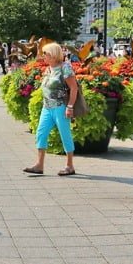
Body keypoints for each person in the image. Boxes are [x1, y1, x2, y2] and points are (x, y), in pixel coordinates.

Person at [23, 43, 77, 176]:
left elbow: (74, 88)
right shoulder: (49, 69)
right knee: (41, 134)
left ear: (53, 55)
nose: (43, 56)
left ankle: (70, 166)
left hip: (60, 107)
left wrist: (70, 107)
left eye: (45, 54)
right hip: (47, 107)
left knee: (65, 135)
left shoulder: (65, 68)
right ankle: (39, 165)